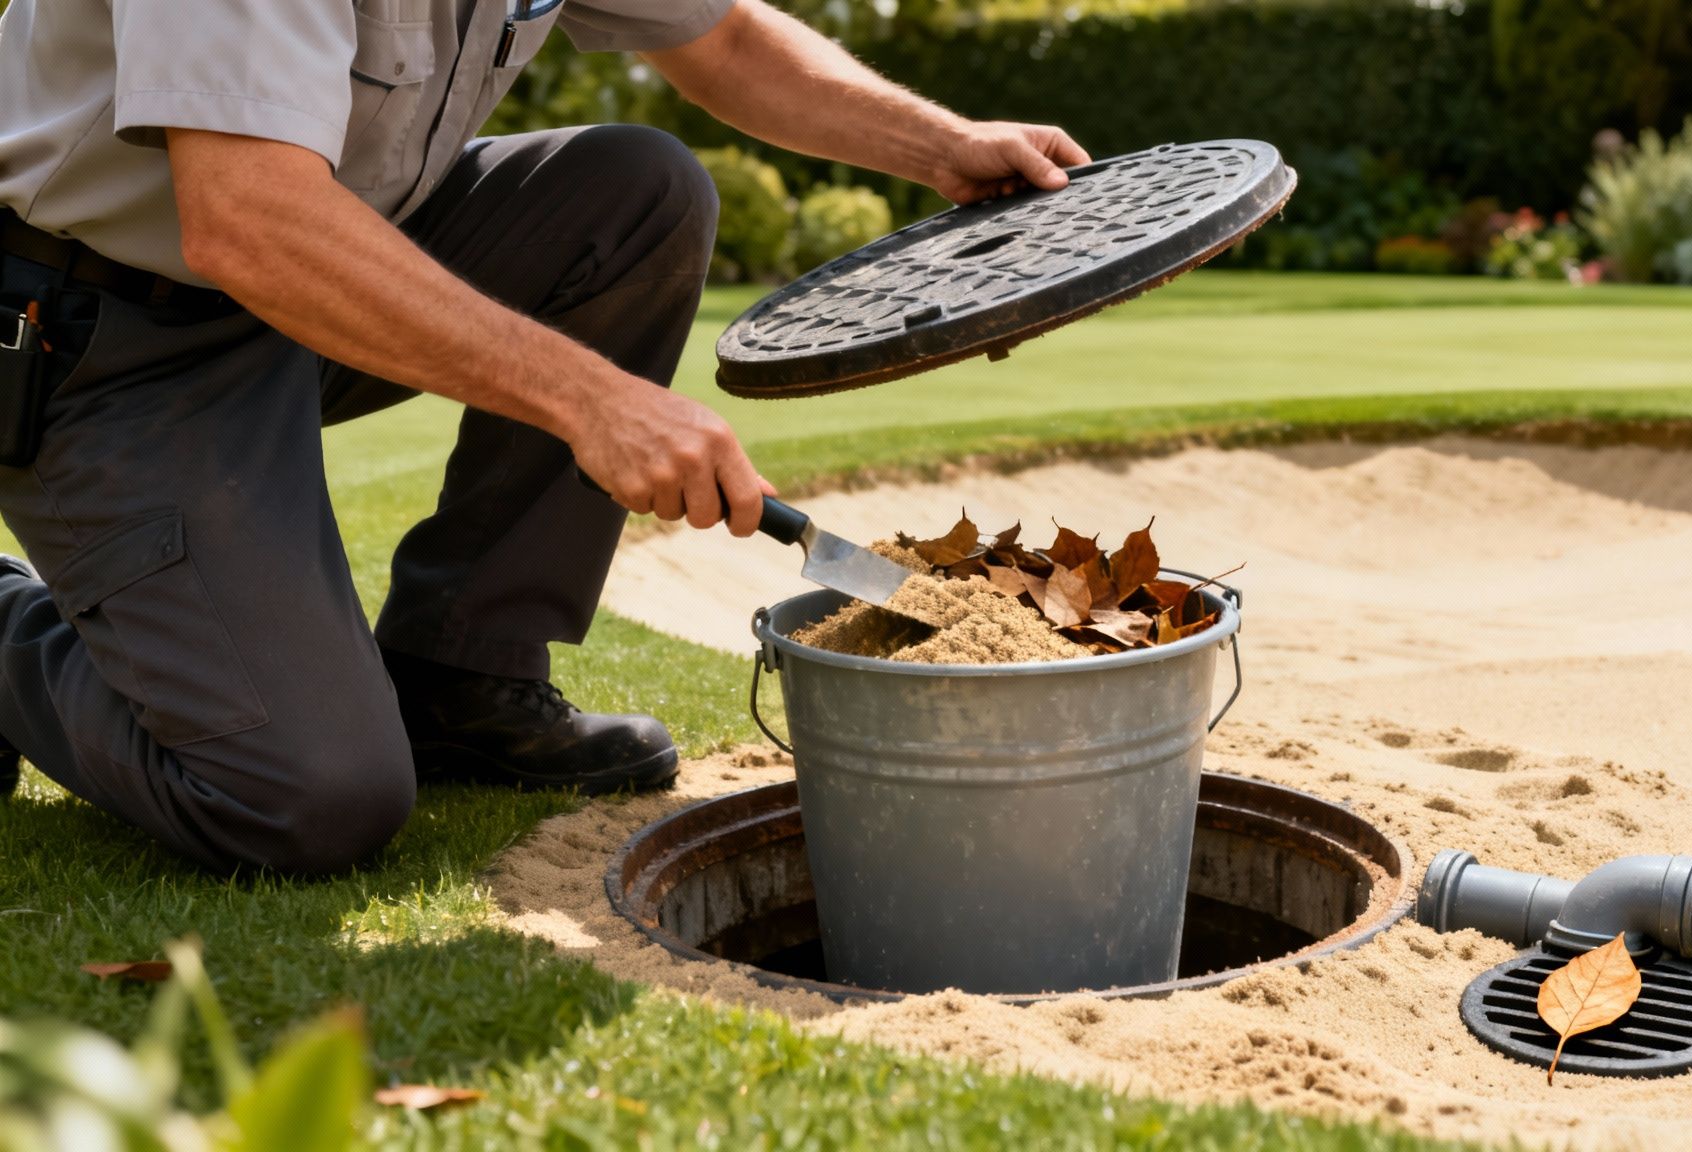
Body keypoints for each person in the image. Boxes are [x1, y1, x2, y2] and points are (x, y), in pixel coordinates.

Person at [0, 0, 1086, 873]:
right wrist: (590, 400)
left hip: (320, 261)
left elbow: (727, 39)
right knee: (306, 797)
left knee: (636, 193)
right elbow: (244, 214)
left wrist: (945, 144)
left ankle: (461, 673)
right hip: (109, 327)